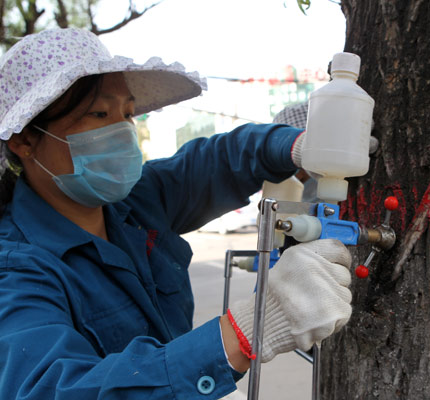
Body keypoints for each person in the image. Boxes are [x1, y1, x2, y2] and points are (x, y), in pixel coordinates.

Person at [0, 28, 352, 399]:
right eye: (99, 113)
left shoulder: (139, 203)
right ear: (24, 140)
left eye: (128, 113)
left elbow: (219, 160)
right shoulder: (16, 269)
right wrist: (244, 332)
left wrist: (297, 147)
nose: (122, 131)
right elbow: (50, 389)